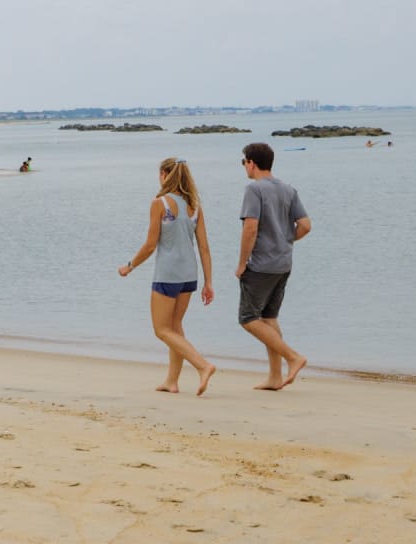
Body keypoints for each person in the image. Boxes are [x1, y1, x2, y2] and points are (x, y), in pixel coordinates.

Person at [118, 158, 216, 395]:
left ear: (164, 174)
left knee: (162, 330)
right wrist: (208, 282)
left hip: (168, 274)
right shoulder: (194, 205)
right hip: (189, 275)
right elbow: (204, 248)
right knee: (175, 327)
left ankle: (203, 366)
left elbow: (151, 245)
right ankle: (172, 381)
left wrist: (129, 266)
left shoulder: (159, 203)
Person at [236, 142, 310, 391]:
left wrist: (241, 263)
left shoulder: (254, 189)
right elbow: (306, 225)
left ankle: (293, 357)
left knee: (247, 318)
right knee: (269, 317)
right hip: (283, 263)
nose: (244, 167)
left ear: (251, 163)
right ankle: (275, 377)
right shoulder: (288, 189)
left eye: (244, 162)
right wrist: (286, 240)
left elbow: (250, 228)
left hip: (261, 265)